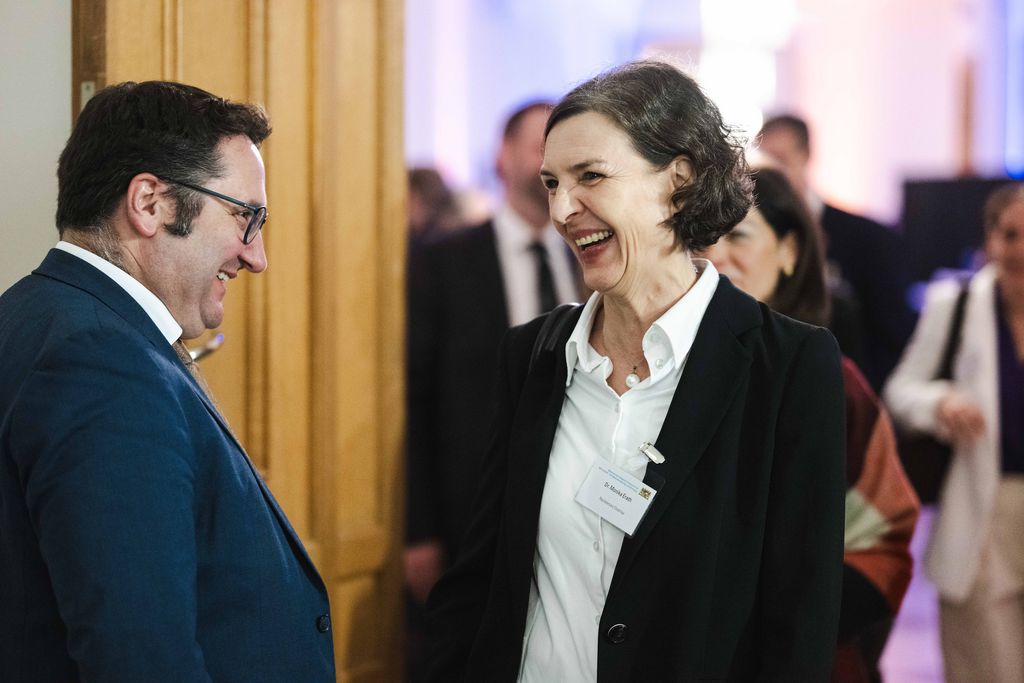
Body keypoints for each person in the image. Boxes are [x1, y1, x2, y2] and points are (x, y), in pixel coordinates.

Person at [424, 60, 846, 682]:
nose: (564, 209)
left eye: (589, 176)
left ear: (678, 180)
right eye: (550, 184)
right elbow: (479, 584)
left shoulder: (788, 367)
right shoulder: (532, 357)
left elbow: (799, 626)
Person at [0, 81, 335, 682]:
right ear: (150, 203)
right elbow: (138, 656)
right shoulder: (101, 363)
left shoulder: (32, 313)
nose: (255, 256)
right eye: (245, 217)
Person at [703, 166, 920, 683]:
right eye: (703, 238)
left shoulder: (831, 383)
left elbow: (883, 539)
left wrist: (785, 617)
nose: (715, 255)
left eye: (738, 235)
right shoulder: (663, 372)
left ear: (790, 252)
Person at [883, 182, 1024, 683]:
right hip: (982, 514)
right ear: (990, 239)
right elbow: (901, 390)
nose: (1020, 250)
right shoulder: (958, 303)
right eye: (1010, 235)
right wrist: (942, 402)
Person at [758, 114, 916, 391]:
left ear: (806, 156)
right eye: (767, 161)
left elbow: (892, 336)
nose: (774, 172)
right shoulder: (755, 240)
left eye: (782, 159)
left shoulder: (866, 238)